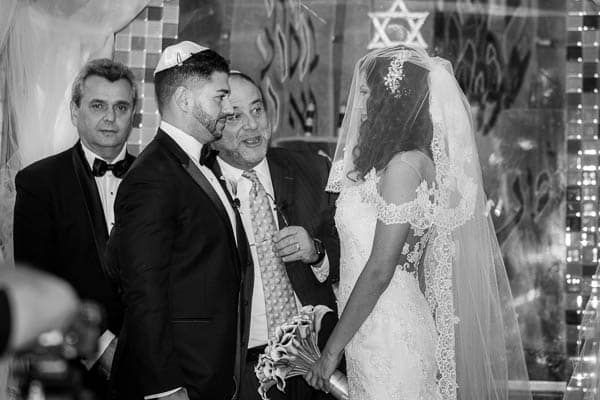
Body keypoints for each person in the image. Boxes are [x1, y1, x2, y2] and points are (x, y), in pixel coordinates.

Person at [304, 45, 532, 399]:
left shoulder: (404, 167)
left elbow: (381, 268)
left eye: (366, 93)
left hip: (391, 332)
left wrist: (331, 351)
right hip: (367, 326)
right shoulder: (391, 165)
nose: (359, 104)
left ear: (390, 99)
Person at [106, 41, 251, 400]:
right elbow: (144, 292)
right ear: (185, 100)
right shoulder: (152, 176)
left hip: (210, 375)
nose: (228, 108)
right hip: (179, 382)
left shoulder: (198, 164)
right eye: (220, 96)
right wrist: (166, 389)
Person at [208, 71, 339, 400]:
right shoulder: (196, 188)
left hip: (317, 367)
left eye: (257, 109)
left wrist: (317, 252)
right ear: (212, 127)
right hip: (241, 372)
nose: (252, 125)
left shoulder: (314, 170)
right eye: (235, 116)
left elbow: (353, 254)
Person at [13, 58, 137, 395]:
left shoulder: (158, 181)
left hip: (148, 366)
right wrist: (100, 349)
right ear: (74, 111)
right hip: (71, 370)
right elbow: (38, 283)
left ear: (133, 115)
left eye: (121, 107)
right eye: (98, 105)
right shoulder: (38, 183)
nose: (110, 117)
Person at [0, 266, 78, 356]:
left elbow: (27, 276)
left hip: (10, 334)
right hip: (9, 313)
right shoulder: (67, 298)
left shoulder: (61, 329)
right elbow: (28, 276)